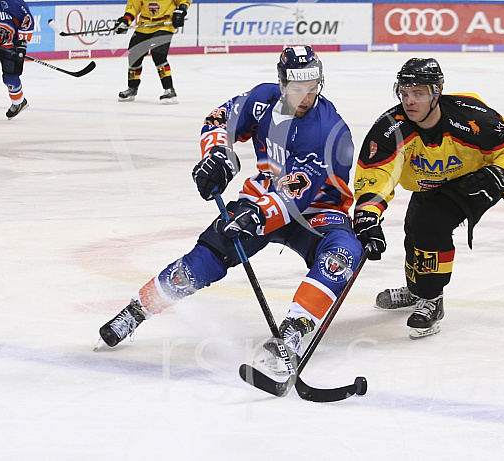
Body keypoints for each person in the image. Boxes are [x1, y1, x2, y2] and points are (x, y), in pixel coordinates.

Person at [97, 46, 363, 372]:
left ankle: (295, 328)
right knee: (205, 258)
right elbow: (218, 119)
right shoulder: (262, 99)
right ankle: (138, 309)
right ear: (282, 83)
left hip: (317, 209)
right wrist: (218, 155)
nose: (305, 96)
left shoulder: (326, 129)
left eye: (311, 86)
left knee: (344, 252)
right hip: (263, 198)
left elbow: (297, 194)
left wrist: (259, 216)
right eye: (297, 88)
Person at [353, 57, 504, 339]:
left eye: (419, 94)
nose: (410, 101)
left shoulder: (472, 118)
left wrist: (500, 173)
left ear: (437, 93)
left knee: (430, 222)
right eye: (405, 92)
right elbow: (376, 172)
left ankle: (431, 298)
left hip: (473, 182)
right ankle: (416, 289)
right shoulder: (391, 128)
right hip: (429, 186)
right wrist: (367, 213)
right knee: (415, 224)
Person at [114, 0, 191, 104]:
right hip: (145, 25)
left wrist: (181, 9)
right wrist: (125, 21)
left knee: (158, 54)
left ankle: (169, 89)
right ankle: (132, 88)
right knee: (134, 55)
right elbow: (133, 7)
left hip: (164, 24)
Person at [0, 0, 33, 121]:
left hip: (11, 45)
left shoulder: (12, 2)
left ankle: (19, 102)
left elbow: (27, 20)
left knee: (10, 79)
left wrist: (22, 43)